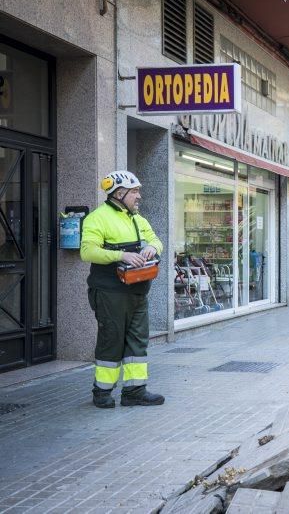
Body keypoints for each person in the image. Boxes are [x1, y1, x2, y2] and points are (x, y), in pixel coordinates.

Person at [80, 170, 165, 409]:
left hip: (138, 291)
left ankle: (135, 391)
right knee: (111, 340)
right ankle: (102, 393)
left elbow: (156, 240)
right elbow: (87, 251)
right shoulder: (97, 218)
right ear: (119, 193)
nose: (139, 196)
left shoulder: (138, 218)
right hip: (109, 292)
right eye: (135, 191)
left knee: (138, 342)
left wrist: (152, 249)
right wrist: (121, 255)